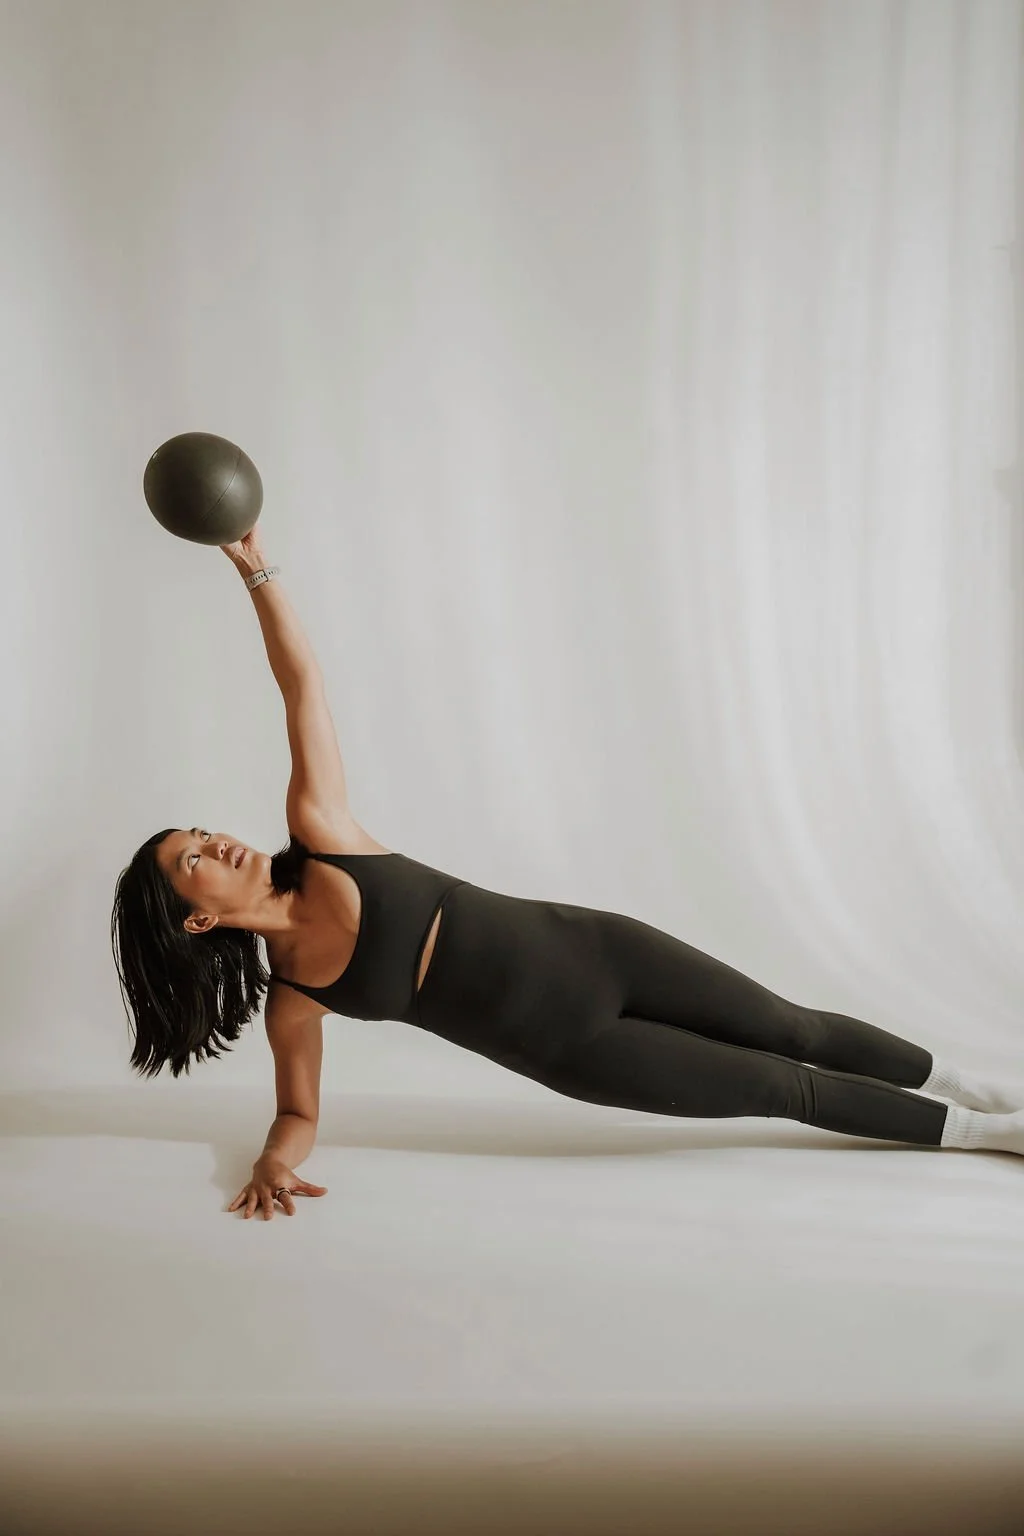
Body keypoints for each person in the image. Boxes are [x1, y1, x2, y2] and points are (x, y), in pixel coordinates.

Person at [111, 534, 1024, 1220]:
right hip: (579, 1051)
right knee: (778, 1087)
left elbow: (301, 684)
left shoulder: (323, 833)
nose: (216, 841)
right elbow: (299, 1110)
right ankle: (992, 1137)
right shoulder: (297, 998)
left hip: (606, 950)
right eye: (192, 859)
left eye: (202, 831)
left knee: (794, 1025)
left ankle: (978, 1087)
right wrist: (274, 1159)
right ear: (194, 920)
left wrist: (255, 569)